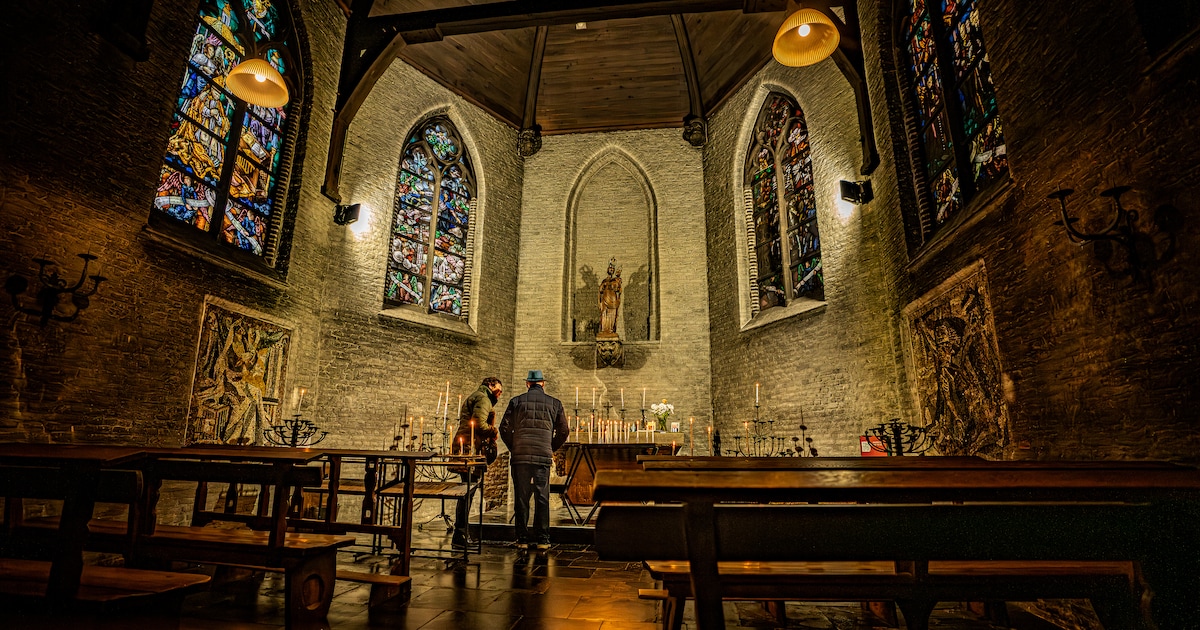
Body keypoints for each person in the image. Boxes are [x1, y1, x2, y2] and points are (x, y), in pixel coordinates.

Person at [499, 369, 569, 550]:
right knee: (542, 497)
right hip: (542, 457)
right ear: (543, 384)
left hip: (520, 456)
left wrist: (514, 447)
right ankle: (543, 540)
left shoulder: (516, 401)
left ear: (527, 383)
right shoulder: (555, 403)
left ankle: (522, 539)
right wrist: (550, 447)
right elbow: (564, 431)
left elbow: (504, 428)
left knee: (521, 497)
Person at [449, 377, 501, 549]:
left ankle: (461, 534)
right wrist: (494, 431)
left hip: (466, 446)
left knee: (467, 491)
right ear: (490, 385)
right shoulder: (483, 398)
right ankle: (460, 535)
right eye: (498, 390)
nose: (499, 395)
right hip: (470, 450)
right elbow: (479, 424)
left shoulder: (477, 396)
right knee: (467, 493)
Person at [597, 258, 622, 339]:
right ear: (607, 269)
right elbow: (600, 290)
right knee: (604, 314)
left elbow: (618, 290)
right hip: (605, 299)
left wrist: (618, 279)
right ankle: (604, 330)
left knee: (612, 314)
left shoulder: (616, 280)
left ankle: (611, 330)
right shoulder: (604, 280)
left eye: (613, 269)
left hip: (613, 300)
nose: (611, 270)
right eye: (610, 268)